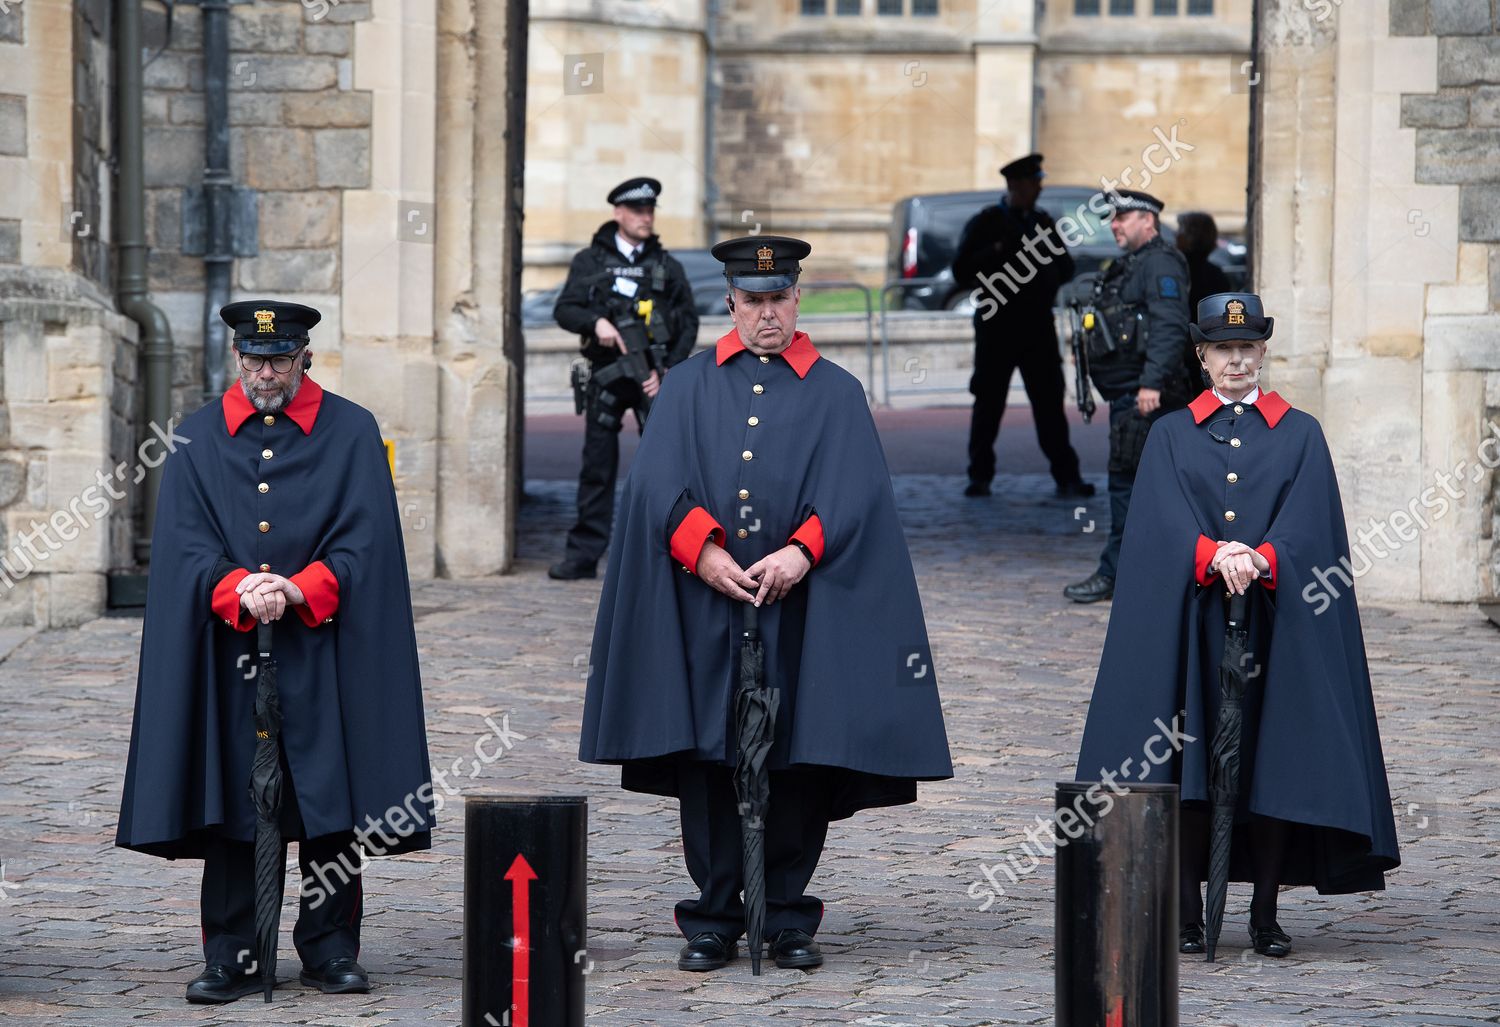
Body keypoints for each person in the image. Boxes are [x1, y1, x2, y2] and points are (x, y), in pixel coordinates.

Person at [578, 236, 953, 972]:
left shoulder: (835, 390)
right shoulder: (686, 385)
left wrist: (800, 552)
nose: (767, 314)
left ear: (797, 299)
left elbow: (856, 491)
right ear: (731, 304)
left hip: (801, 607)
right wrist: (705, 550)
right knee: (710, 755)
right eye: (753, 302)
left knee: (796, 757)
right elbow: (657, 485)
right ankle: (714, 913)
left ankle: (785, 912)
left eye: (779, 299)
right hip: (704, 604)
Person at [116, 301, 435, 1003]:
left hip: (325, 647)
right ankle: (233, 951)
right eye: (255, 358)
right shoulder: (197, 435)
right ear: (237, 357)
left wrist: (299, 588)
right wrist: (236, 586)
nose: (267, 372)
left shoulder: (351, 431)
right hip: (232, 651)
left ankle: (329, 946)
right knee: (235, 800)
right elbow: (183, 545)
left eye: (281, 359)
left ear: (306, 358)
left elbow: (367, 543)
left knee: (331, 798)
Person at [1075, 292, 1400, 959]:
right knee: (1191, 768)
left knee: (1271, 767)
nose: (1236, 361)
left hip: (1279, 627)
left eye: (1248, 348)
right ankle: (1190, 909)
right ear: (1201, 355)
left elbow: (1314, 523)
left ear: (1262, 353)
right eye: (1224, 349)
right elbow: (1158, 523)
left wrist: (1264, 556)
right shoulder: (1171, 433)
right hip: (1192, 623)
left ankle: (1266, 911)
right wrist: (1209, 554)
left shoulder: (1300, 432)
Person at [549, 176, 701, 580]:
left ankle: (675, 548)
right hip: (608, 375)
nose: (645, 218)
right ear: (618, 213)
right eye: (637, 211)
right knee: (597, 467)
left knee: (667, 465)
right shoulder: (590, 261)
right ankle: (583, 554)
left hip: (654, 377)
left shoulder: (666, 265)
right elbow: (565, 309)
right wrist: (595, 321)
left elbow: (688, 320)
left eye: (650, 211)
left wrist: (669, 370)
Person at [1063, 189, 1192, 603]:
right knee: (1139, 485)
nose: (1113, 224)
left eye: (1122, 217)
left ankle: (1117, 574)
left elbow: (1170, 325)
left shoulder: (1159, 263)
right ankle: (1148, 573)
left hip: (1148, 396)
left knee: (1128, 486)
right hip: (1130, 394)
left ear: (1148, 221)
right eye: (1112, 218)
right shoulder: (1130, 264)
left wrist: (1151, 382)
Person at [951, 153, 1093, 499]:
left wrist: (1046, 270)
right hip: (997, 328)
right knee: (988, 403)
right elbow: (961, 270)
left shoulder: (1043, 222)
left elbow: (1066, 268)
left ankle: (1067, 476)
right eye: (1034, 183)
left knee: (1049, 405)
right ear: (1016, 185)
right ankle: (980, 476)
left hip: (1036, 328)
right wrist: (998, 251)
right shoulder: (987, 222)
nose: (1039, 188)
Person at [1176, 211, 1231, 317]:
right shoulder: (1217, 274)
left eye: (1180, 229)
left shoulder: (1178, 269)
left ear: (1192, 236)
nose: (1176, 235)